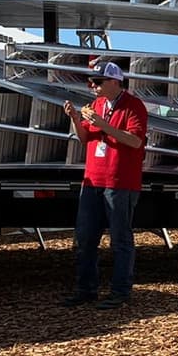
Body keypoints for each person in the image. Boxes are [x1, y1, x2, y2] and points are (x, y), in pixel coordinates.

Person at [61, 61, 148, 309]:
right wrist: (76, 119)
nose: (93, 86)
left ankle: (120, 292)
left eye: (98, 82)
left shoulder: (134, 106)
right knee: (85, 238)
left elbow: (135, 141)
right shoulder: (97, 105)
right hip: (93, 179)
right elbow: (86, 137)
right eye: (92, 82)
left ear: (114, 82)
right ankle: (86, 289)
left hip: (120, 182)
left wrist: (104, 125)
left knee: (120, 239)